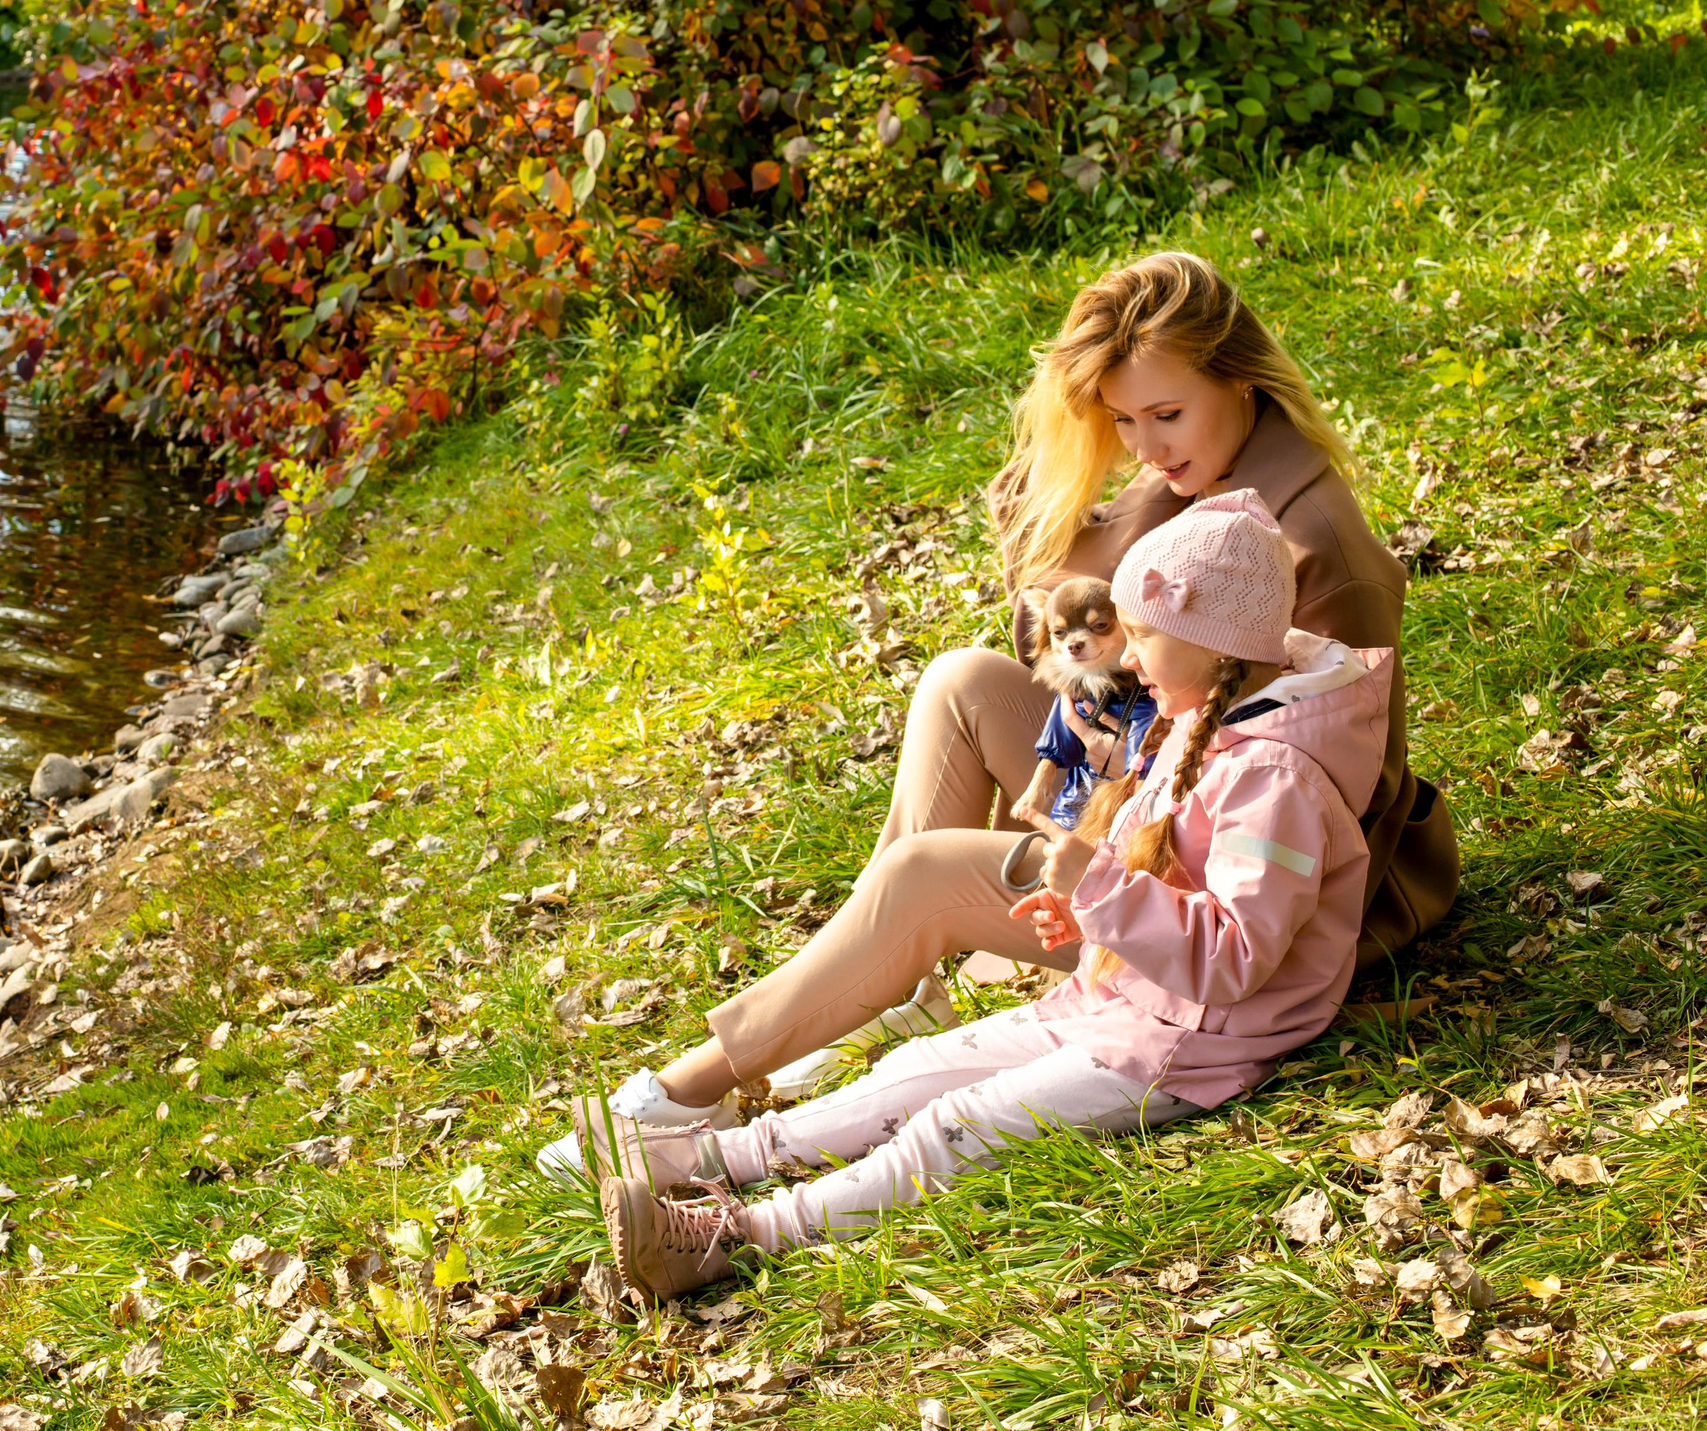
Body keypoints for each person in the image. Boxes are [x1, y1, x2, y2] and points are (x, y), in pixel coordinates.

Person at [535, 251, 1453, 1179]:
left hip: (1232, 912)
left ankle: (690, 1089)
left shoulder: (1314, 545)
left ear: (1240, 380)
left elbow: (1329, 793)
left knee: (927, 875)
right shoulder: (1191, 473)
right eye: (1121, 420)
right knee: (961, 683)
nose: (1144, 446)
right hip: (1148, 798)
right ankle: (891, 976)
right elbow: (1062, 642)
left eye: (1166, 414)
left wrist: (1117, 813)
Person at [586, 493, 1395, 1297]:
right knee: (921, 1065)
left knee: (956, 1124)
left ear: (1216, 647)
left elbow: (1235, 960)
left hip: (1194, 1044)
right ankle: (708, 1157)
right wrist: (1088, 911)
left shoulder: (1274, 778)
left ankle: (733, 1236)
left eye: (1142, 635)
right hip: (1121, 1000)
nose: (1127, 655)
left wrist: (1100, 886)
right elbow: (1170, 874)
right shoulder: (1201, 718)